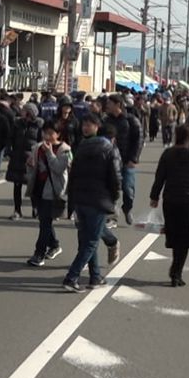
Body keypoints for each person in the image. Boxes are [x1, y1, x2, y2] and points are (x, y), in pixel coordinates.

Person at [62, 113, 121, 292]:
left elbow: (72, 176)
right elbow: (115, 177)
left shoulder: (81, 146)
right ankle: (71, 277)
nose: (85, 127)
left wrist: (71, 201)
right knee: (91, 242)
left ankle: (95, 276)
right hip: (98, 199)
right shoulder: (110, 149)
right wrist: (114, 197)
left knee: (88, 239)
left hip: (81, 198)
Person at [149, 124, 189, 287]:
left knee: (175, 236)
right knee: (185, 239)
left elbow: (160, 177)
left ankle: (176, 270)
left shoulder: (168, 154)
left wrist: (154, 197)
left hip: (170, 200)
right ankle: (176, 272)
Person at [26, 124, 71, 267]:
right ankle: (54, 245)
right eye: (45, 133)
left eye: (51, 133)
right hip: (38, 189)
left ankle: (39, 253)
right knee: (44, 220)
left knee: (45, 222)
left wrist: (50, 153)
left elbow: (58, 168)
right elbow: (33, 169)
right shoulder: (38, 148)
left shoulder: (65, 150)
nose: (47, 137)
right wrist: (30, 164)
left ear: (58, 134)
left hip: (53, 191)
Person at [103, 94, 143, 225]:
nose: (107, 106)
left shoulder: (131, 120)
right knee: (111, 188)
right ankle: (112, 215)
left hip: (127, 160)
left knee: (128, 188)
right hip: (110, 160)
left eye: (110, 103)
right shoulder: (106, 120)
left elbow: (139, 139)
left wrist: (134, 158)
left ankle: (127, 208)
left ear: (118, 105)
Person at [6, 104, 43, 220]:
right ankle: (17, 210)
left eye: (25, 110)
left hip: (32, 158)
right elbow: (10, 138)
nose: (22, 112)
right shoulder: (17, 124)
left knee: (32, 185)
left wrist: (37, 155)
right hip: (17, 157)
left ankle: (35, 208)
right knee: (17, 185)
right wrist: (10, 151)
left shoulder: (39, 125)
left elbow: (41, 141)